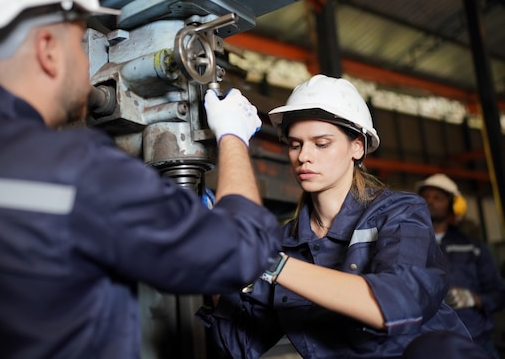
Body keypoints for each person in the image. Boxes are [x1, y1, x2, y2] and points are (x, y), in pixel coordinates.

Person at [0, 0, 283, 358]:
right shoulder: (78, 173)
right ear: (48, 49)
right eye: (79, 42)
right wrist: (232, 136)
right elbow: (241, 252)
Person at [196, 74, 471, 359]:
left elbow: (397, 302)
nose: (304, 156)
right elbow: (237, 343)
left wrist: (268, 262)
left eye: (322, 143)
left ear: (358, 146)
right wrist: (219, 251)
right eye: (295, 144)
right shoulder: (284, 242)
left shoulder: (400, 212)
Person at [417, 173, 505, 358]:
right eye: (425, 197)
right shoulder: (407, 244)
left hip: (474, 339)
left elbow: (499, 293)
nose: (430, 202)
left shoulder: (473, 247)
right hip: (423, 340)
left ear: (452, 205)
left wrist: (474, 299)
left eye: (438, 198)